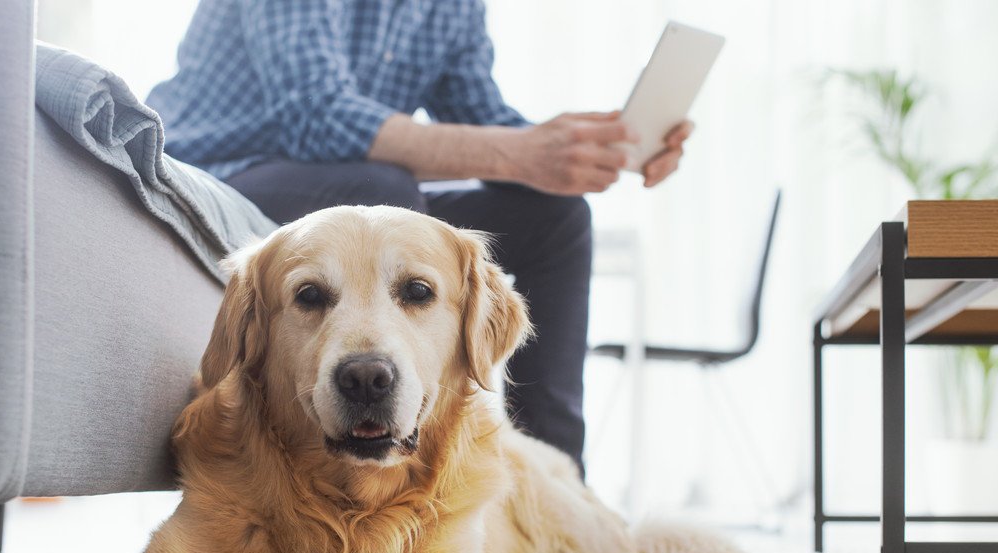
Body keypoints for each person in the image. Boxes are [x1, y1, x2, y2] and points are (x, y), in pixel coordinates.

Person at [147, 0, 691, 473]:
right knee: (382, 186)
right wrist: (525, 152)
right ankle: (388, 448)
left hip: (347, 180)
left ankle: (555, 478)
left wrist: (593, 148)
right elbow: (316, 115)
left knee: (556, 215)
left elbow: (481, 121)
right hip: (219, 176)